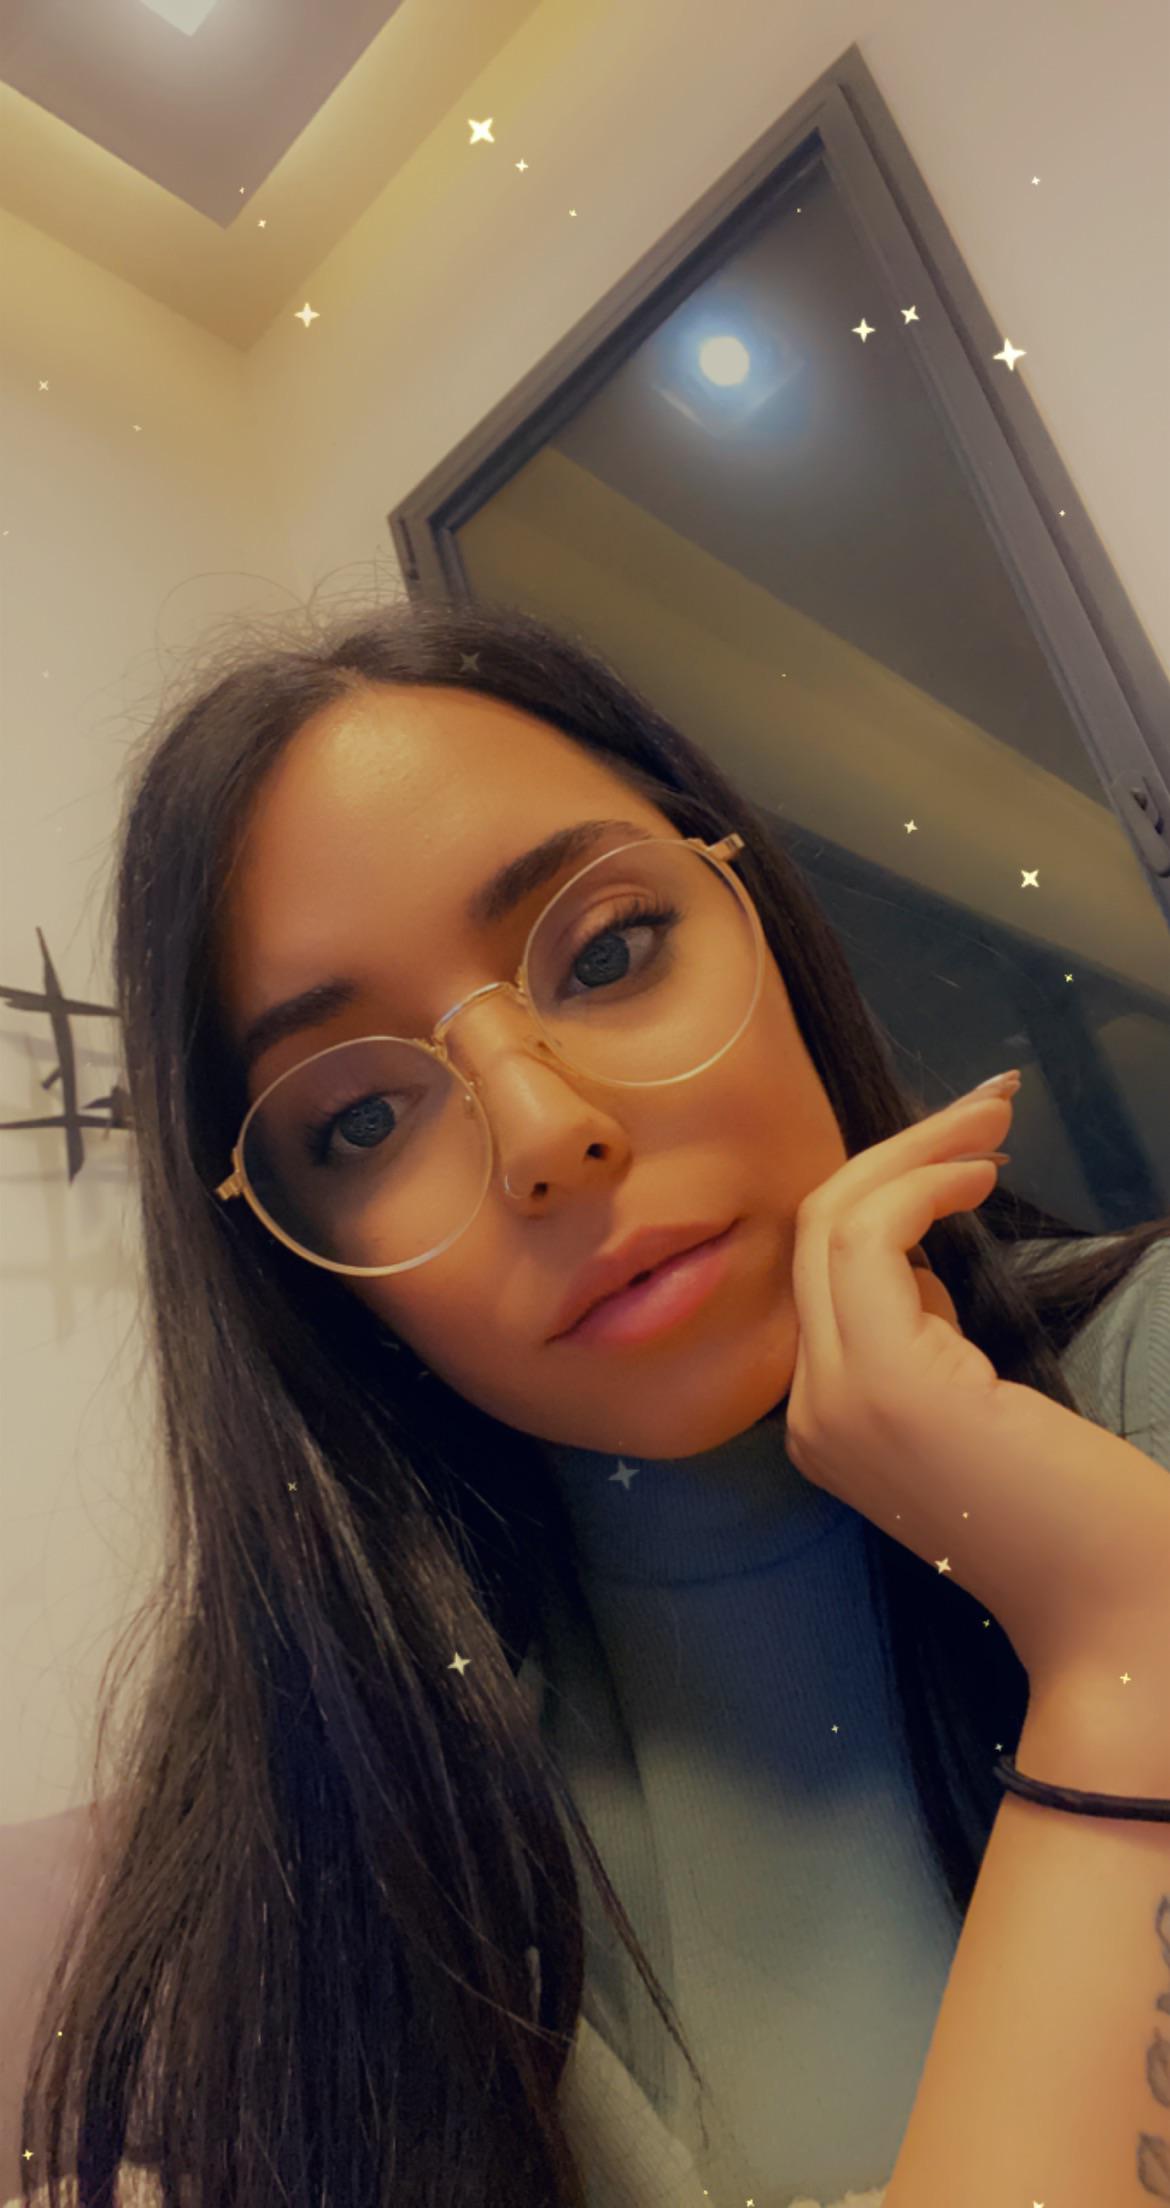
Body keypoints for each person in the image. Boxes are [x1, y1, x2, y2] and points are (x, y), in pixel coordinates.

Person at [4, 593, 1169, 2208]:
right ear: (302, 1263)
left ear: (757, 918)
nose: (549, 1134)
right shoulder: (346, 1811)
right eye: (361, 1121)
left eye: (611, 951)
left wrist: (1122, 1645)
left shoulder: (1138, 1369)